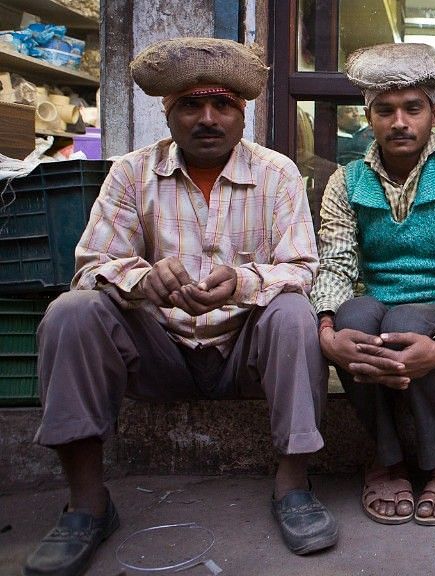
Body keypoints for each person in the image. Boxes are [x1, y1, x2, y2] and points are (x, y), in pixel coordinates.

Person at [22, 37, 336, 576]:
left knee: (292, 313)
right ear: (167, 112)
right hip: (157, 351)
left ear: (243, 114)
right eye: (190, 105)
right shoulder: (131, 172)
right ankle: (87, 505)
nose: (207, 119)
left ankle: (293, 486)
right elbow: (92, 261)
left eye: (223, 106)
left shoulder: (277, 172)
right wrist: (143, 281)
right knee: (72, 311)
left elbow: (303, 269)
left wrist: (242, 282)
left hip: (243, 354)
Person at [312, 43, 435, 527]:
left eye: (413, 108)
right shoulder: (346, 181)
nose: (399, 122)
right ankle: (387, 459)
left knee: (407, 318)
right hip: (380, 326)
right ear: (368, 116)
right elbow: (335, 262)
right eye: (385, 110)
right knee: (354, 317)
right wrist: (328, 332)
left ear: (433, 114)